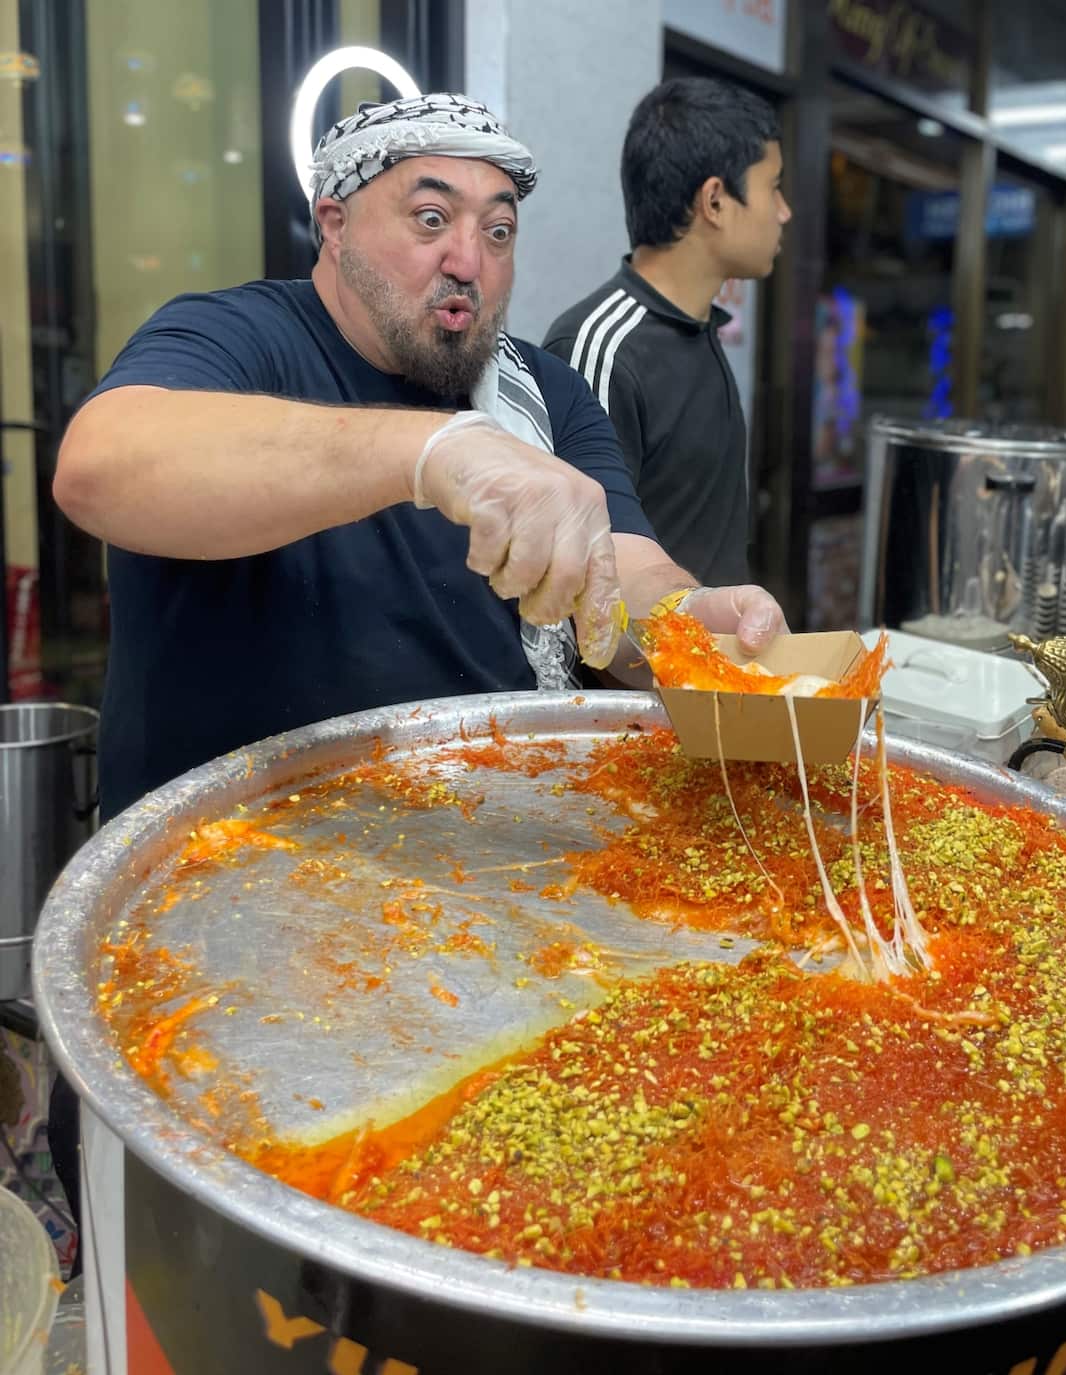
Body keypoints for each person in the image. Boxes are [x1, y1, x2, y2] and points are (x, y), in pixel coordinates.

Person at [49, 91, 786, 1242]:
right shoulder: (239, 337)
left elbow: (623, 566)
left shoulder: (541, 393)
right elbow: (101, 466)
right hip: (216, 955)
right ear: (332, 223)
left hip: (471, 940)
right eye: (428, 215)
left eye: (496, 230)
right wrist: (426, 453)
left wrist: (700, 616)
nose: (468, 260)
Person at [544, 77, 790, 588]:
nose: (784, 212)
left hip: (712, 661)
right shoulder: (602, 348)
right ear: (715, 202)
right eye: (774, 187)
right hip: (646, 667)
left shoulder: (699, 327)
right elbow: (586, 574)